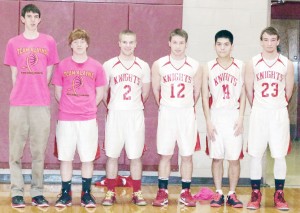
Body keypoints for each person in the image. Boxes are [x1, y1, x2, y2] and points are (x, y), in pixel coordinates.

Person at [3, 4, 59, 208]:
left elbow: (50, 70)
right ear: (22, 19)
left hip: (40, 103)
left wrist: (39, 90)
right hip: (18, 103)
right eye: (29, 16)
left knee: (38, 152)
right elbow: (14, 74)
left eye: (36, 16)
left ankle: (37, 192)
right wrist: (22, 91)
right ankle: (17, 192)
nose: (33, 19)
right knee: (15, 152)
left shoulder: (49, 42)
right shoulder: (13, 43)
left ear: (40, 19)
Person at [52, 28, 106, 208]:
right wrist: (71, 106)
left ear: (87, 44)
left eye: (82, 41)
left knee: (87, 158)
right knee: (65, 157)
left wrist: (88, 106)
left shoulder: (97, 66)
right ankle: (66, 194)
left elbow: (100, 93)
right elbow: (58, 93)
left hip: (87, 119)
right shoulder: (62, 66)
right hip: (66, 119)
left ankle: (86, 194)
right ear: (71, 45)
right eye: (76, 41)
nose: (79, 44)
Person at [245, 26, 294, 211]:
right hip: (259, 112)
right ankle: (255, 194)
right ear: (261, 41)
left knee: (279, 154)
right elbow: (249, 90)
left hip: (278, 113)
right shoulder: (253, 62)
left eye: (273, 39)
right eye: (266, 39)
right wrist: (260, 105)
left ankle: (279, 194)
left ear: (278, 41)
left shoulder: (286, 63)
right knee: (256, 154)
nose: (269, 43)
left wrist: (276, 105)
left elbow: (288, 91)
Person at [152, 28, 202, 207]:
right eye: (175, 42)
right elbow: (156, 90)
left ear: (186, 44)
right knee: (165, 154)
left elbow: (196, 92)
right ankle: (162, 191)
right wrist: (167, 106)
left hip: (187, 113)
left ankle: (185, 192)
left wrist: (184, 106)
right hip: (167, 113)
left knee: (187, 154)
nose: (178, 46)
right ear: (169, 43)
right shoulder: (159, 64)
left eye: (181, 43)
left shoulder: (195, 65)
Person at [101, 30, 151, 206]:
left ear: (136, 44)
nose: (128, 45)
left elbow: (145, 93)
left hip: (135, 114)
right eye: (124, 42)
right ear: (119, 43)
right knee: (112, 155)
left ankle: (137, 192)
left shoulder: (143, 66)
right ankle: (110, 192)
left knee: (135, 156)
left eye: (131, 42)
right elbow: (103, 92)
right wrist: (114, 106)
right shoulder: (109, 65)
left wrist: (132, 106)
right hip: (115, 114)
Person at [202, 30, 245, 208]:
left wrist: (241, 117)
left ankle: (232, 193)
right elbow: (205, 97)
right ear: (214, 46)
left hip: (234, 114)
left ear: (232, 46)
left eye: (226, 44)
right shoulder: (208, 66)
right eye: (219, 44)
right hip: (216, 115)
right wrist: (208, 121)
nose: (222, 47)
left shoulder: (241, 65)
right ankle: (219, 193)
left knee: (234, 158)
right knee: (217, 157)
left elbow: (244, 94)